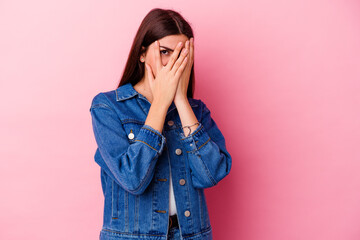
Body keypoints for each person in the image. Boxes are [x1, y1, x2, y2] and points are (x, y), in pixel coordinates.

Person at [89, 8, 232, 240]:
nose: (173, 62)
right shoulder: (107, 107)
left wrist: (181, 101)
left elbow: (212, 174)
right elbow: (132, 180)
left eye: (182, 54)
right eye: (165, 52)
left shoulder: (196, 111)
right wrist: (160, 104)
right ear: (142, 53)